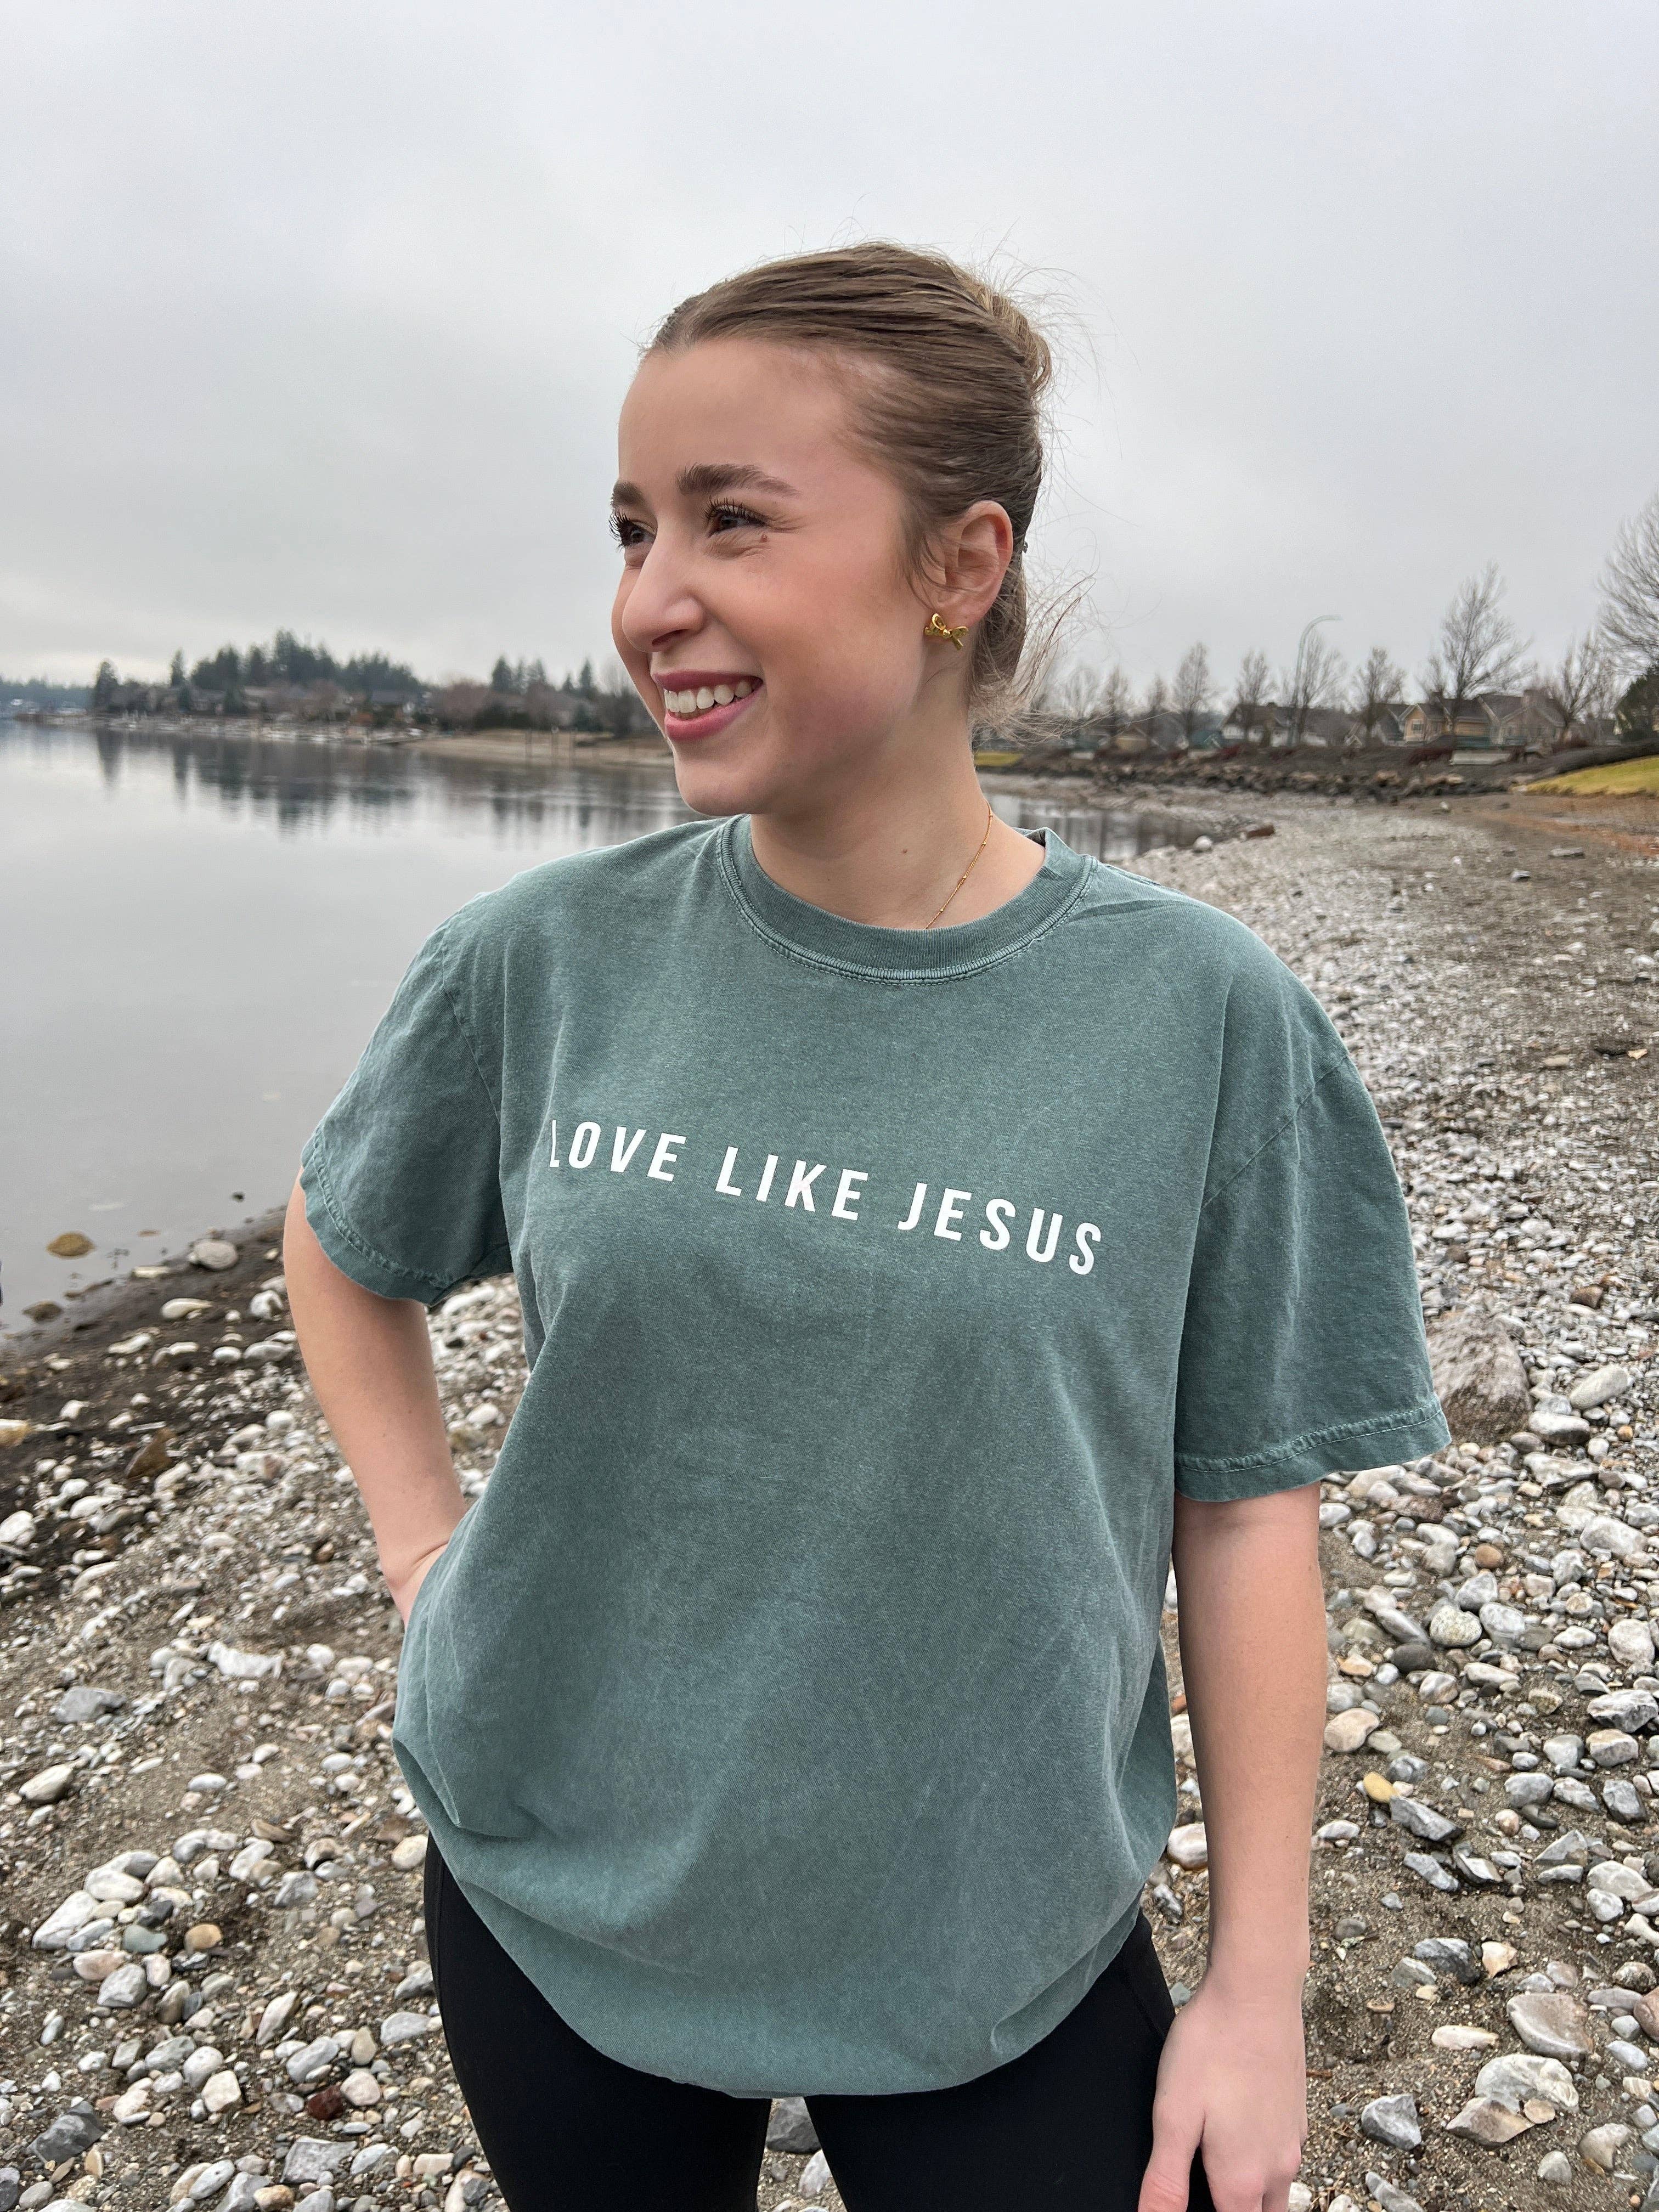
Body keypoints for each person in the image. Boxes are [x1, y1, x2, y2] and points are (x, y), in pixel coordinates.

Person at [285, 241, 1452, 2212]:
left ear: (958, 565)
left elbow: (1250, 1511)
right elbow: (341, 1243)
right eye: (634, 528)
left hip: (997, 1928)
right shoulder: (538, 959)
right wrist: (425, 1555)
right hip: (559, 1882)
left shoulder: (1202, 1018)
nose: (650, 601)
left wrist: (1259, 1988)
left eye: (731, 521)